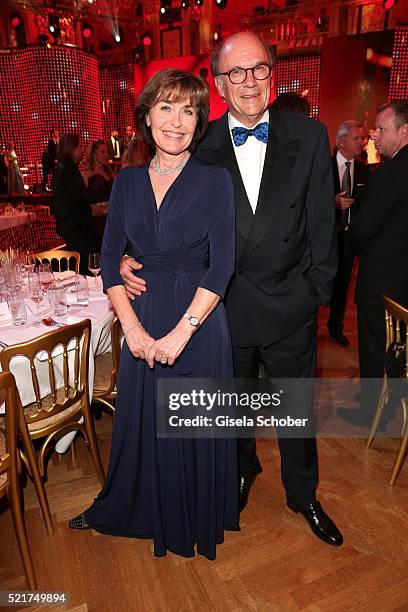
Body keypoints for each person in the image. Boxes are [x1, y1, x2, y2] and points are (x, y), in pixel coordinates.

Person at [120, 32, 343, 547]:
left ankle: (303, 492)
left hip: (291, 303)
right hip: (223, 307)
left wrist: (314, 293)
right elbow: (165, 212)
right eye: (236, 73)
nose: (248, 81)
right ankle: (243, 471)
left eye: (258, 69)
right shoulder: (200, 141)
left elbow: (322, 229)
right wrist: (133, 255)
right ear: (219, 84)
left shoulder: (310, 137)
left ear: (273, 73)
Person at [68, 69, 239, 560]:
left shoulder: (214, 181)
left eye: (188, 110)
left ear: (198, 121)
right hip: (141, 321)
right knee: (144, 428)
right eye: (166, 107)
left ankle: (190, 513)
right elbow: (108, 261)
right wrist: (135, 332)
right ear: (146, 116)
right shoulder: (125, 184)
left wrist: (179, 336)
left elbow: (223, 263)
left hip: (198, 323)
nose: (177, 120)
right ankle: (137, 507)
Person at [338, 100, 408, 426]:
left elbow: (363, 228)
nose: (374, 137)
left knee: (374, 348)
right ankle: (387, 404)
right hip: (401, 281)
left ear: (403, 131)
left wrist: (350, 236)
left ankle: (371, 412)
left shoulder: (389, 173)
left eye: (382, 129)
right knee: (395, 348)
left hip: (380, 280)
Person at [327, 121, 371, 346]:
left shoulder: (364, 170)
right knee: (322, 282)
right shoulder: (324, 166)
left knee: (343, 286)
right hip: (326, 239)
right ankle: (310, 323)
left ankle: (335, 327)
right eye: (356, 139)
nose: (362, 143)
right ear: (342, 140)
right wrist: (331, 204)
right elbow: (310, 200)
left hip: (348, 240)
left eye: (362, 139)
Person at [53, 134, 93, 275]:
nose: (82, 150)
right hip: (75, 227)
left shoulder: (62, 167)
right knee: (79, 268)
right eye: (80, 147)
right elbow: (72, 201)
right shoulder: (69, 169)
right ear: (71, 148)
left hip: (70, 226)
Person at [82, 140, 114, 251]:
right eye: (103, 152)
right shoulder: (85, 175)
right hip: (95, 224)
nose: (106, 155)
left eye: (107, 152)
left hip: (111, 221)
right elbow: (82, 201)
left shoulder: (110, 174)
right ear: (94, 154)